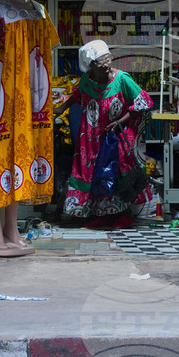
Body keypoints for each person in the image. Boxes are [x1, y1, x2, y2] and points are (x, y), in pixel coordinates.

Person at [55, 40, 153, 228]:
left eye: (108, 59)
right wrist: (61, 108)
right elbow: (77, 94)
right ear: (90, 66)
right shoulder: (87, 79)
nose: (107, 65)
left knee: (116, 171)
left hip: (116, 136)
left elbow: (143, 102)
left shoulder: (122, 78)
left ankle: (122, 215)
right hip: (91, 138)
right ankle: (99, 213)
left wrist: (119, 123)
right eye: (101, 63)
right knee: (93, 172)